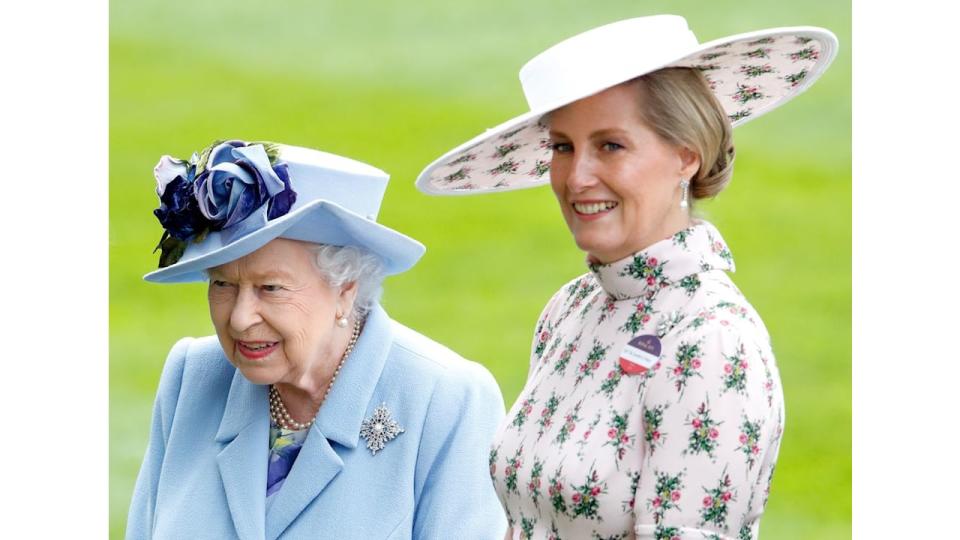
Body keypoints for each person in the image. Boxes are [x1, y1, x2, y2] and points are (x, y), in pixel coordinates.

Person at [416, 15, 837, 539]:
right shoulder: (569, 308)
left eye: (610, 145)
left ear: (686, 155)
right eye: (563, 147)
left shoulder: (712, 340)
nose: (576, 177)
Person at [127, 139, 507, 539]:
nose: (240, 319)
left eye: (270, 288)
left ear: (345, 287)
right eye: (222, 284)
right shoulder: (191, 377)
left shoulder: (445, 400)